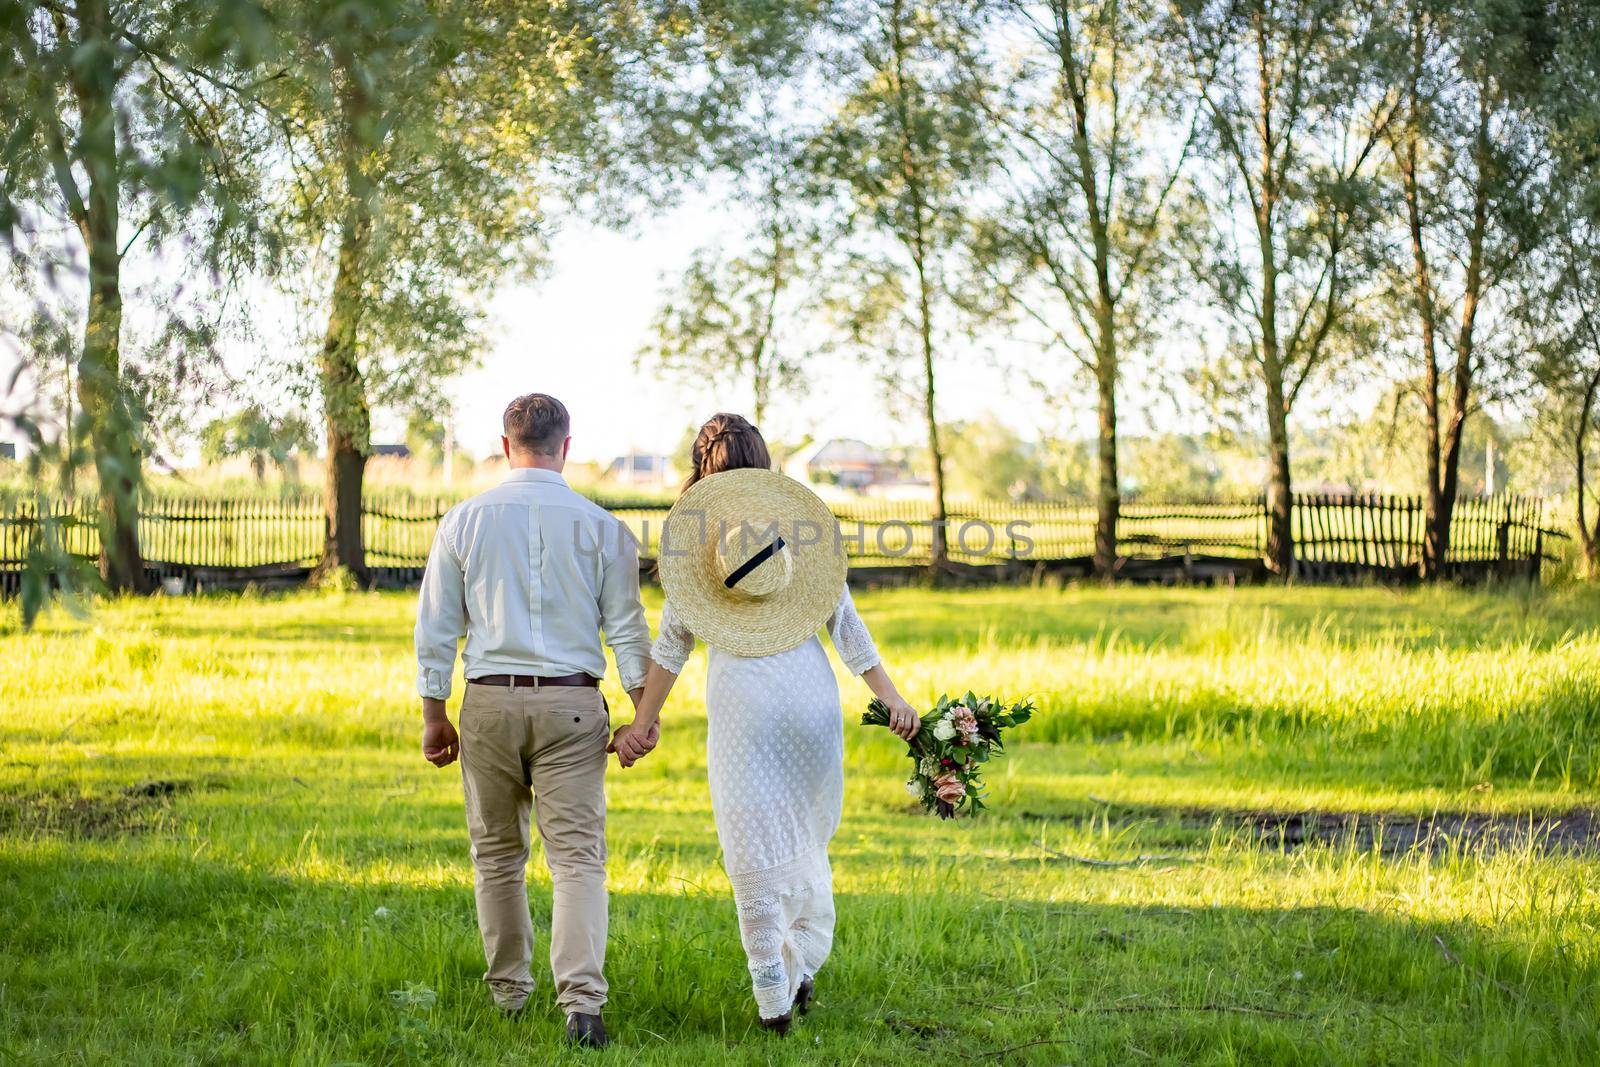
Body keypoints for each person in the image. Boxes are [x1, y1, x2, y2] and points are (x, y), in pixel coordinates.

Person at [610, 413, 920, 1034]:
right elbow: (847, 628)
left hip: (744, 707)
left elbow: (671, 647)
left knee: (752, 849)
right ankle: (801, 960)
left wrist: (643, 723)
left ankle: (773, 999)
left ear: (704, 472)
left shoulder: (704, 546)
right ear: (765, 465)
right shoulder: (799, 533)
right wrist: (892, 699)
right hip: (810, 699)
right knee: (804, 838)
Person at [414, 392, 650, 1049]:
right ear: (566, 446)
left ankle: (508, 994)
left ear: (507, 442)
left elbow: (435, 631)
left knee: (496, 854)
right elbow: (629, 632)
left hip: (487, 702)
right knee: (577, 860)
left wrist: (435, 717)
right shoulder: (603, 528)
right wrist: (642, 708)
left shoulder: (463, 520)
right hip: (573, 705)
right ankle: (581, 1006)